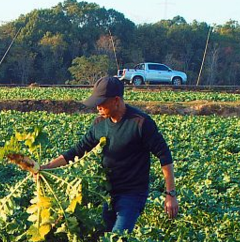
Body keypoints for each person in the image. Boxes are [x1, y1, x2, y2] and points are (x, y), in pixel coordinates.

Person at [33, 76, 178, 233]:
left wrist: (170, 194)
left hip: (132, 193)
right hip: (107, 194)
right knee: (106, 239)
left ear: (116, 100)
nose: (97, 107)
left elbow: (164, 156)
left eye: (101, 103)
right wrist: (45, 167)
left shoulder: (140, 122)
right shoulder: (99, 124)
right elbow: (77, 151)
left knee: (117, 239)